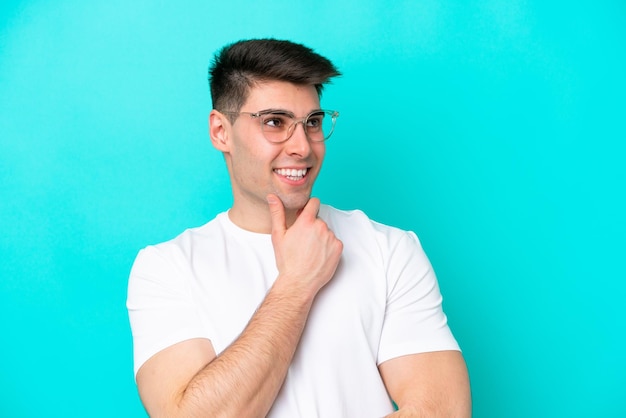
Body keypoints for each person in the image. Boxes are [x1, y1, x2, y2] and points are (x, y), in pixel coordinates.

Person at [127, 38, 471, 417]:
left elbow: (444, 410)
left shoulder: (389, 249)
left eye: (313, 122)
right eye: (275, 122)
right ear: (220, 131)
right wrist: (296, 284)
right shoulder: (166, 268)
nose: (303, 147)